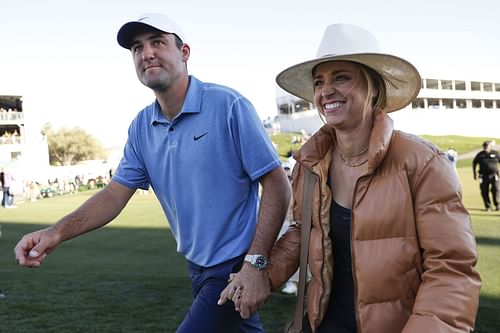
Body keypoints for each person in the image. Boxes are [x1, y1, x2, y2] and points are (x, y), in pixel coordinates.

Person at [14, 13, 291, 333]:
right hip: (197, 267)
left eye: (157, 42)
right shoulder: (141, 126)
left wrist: (255, 264)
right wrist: (54, 233)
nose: (146, 53)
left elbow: (277, 183)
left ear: (184, 52)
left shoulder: (229, 105)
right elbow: (114, 194)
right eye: (137, 47)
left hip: (232, 267)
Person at [219, 24, 481, 332]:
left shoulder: (423, 162)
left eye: (340, 77)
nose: (325, 90)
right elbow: (303, 233)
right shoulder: (310, 165)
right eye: (319, 82)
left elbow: (451, 269)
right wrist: (259, 270)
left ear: (373, 86)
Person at [472, 140, 500, 211]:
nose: (486, 148)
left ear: (490, 146)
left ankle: (497, 205)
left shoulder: (496, 153)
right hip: (483, 176)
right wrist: (474, 174)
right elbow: (474, 163)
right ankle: (488, 206)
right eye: (485, 146)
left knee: (496, 190)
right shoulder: (480, 155)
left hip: (494, 175)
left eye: (487, 146)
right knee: (484, 191)